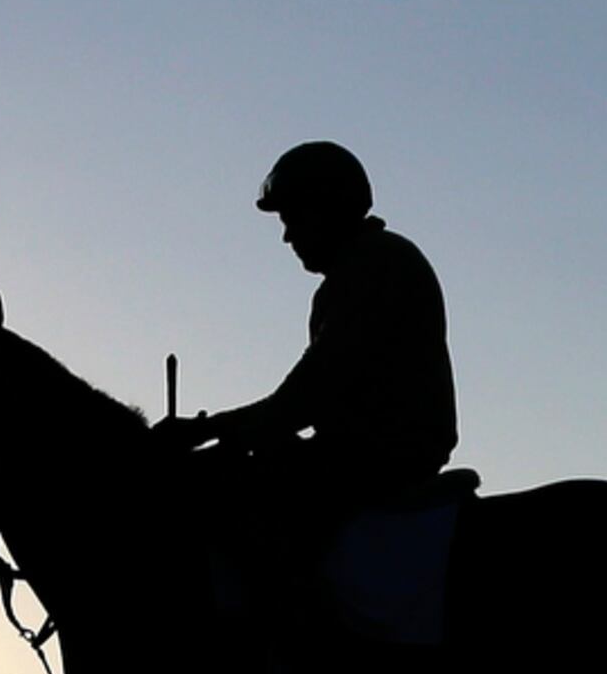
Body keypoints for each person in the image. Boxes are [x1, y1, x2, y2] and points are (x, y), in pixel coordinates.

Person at [178, 141, 460, 527]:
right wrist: (210, 430)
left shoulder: (374, 265)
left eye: (292, 219)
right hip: (365, 454)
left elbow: (303, 398)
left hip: (377, 460)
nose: (287, 237)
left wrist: (209, 434)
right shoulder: (366, 265)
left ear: (327, 208)